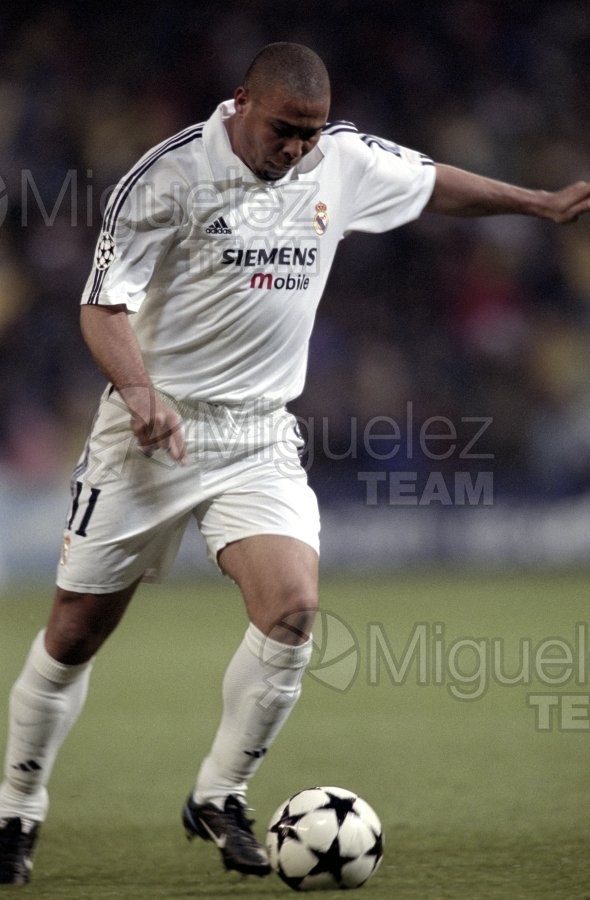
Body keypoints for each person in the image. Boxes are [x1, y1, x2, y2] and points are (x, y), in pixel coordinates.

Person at [1, 41, 589, 886]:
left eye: (310, 134)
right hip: (148, 436)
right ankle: (18, 807)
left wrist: (537, 203)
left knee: (295, 612)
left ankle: (220, 793)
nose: (299, 149)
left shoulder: (338, 159)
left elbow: (432, 185)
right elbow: (102, 305)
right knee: (74, 633)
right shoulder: (165, 179)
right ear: (242, 103)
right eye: (285, 131)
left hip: (258, 438)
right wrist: (138, 392)